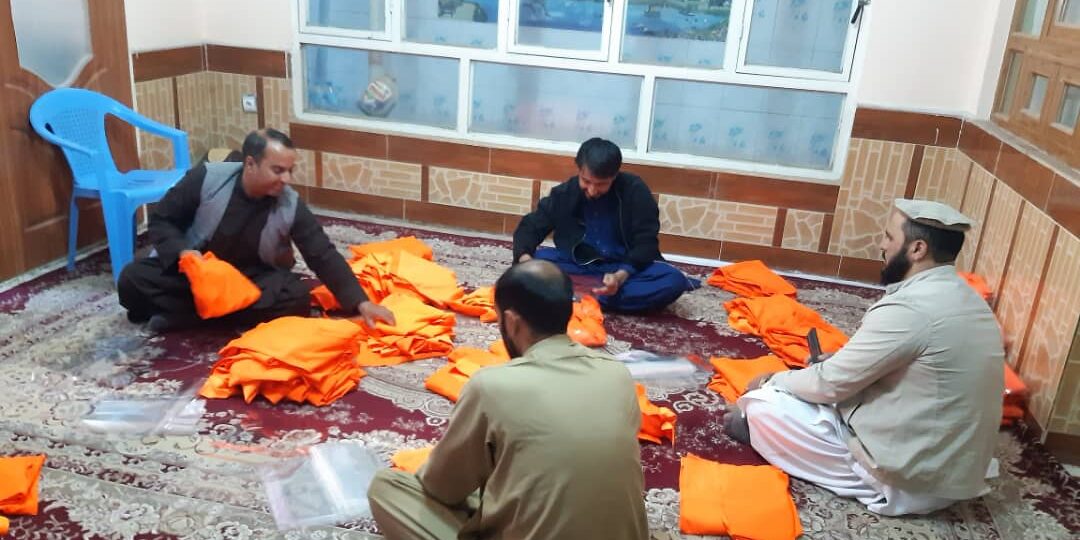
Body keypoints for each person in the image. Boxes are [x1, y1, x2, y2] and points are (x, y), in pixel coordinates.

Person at [725, 199, 1005, 516]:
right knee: (821, 386)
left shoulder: (911, 308)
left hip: (912, 483)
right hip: (955, 474)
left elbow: (829, 385)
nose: (882, 246)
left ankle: (760, 432)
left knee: (764, 404)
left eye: (889, 237)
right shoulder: (967, 298)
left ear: (917, 249)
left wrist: (771, 379)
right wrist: (839, 364)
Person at [367, 260, 648, 540]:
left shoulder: (491, 385)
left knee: (388, 488)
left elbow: (441, 488)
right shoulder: (617, 374)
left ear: (511, 321)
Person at [118, 128, 394, 332]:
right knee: (131, 279)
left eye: (290, 171)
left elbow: (321, 253)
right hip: (196, 275)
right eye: (278, 170)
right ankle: (209, 317)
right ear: (250, 164)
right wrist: (184, 253)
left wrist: (360, 303)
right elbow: (162, 220)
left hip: (250, 280)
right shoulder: (206, 179)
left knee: (296, 297)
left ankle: (183, 317)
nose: (286, 179)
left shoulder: (290, 204)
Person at [512, 137, 698, 313]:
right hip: (577, 264)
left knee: (672, 280)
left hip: (622, 267)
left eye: (601, 184)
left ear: (614, 176)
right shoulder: (564, 194)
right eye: (586, 181)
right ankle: (592, 296)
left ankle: (572, 295)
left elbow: (646, 243)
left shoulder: (635, 191)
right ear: (579, 170)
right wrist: (526, 262)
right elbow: (530, 226)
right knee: (536, 261)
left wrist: (620, 276)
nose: (592, 190)